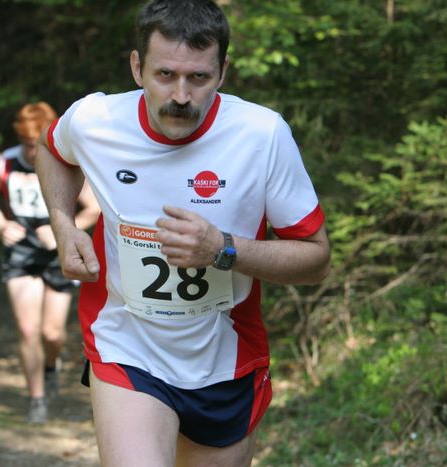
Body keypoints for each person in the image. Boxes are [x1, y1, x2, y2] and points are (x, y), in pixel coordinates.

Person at [35, 0, 330, 464]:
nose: (181, 95)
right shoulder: (96, 121)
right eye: (165, 74)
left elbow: (316, 260)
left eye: (198, 77)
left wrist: (222, 250)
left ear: (223, 72)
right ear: (137, 67)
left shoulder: (261, 135)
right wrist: (62, 223)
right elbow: (51, 149)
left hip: (225, 358)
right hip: (127, 346)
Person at [0, 102, 99, 424]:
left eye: (36, 143)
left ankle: (50, 365)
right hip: (20, 252)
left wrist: (63, 229)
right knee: (27, 328)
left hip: (57, 253)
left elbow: (94, 208)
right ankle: (36, 398)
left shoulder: (67, 165)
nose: (32, 152)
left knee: (52, 333)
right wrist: (0, 224)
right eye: (27, 144)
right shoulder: (2, 163)